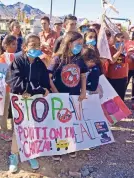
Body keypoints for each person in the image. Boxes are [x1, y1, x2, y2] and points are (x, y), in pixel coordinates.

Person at [5, 34, 50, 173]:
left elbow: (44, 83)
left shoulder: (40, 64)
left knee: (32, 129)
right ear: (24, 47)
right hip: (19, 100)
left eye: (38, 45)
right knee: (18, 131)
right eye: (32, 45)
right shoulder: (18, 61)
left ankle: (29, 153)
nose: (36, 47)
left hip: (34, 102)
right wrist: (25, 89)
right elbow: (12, 80)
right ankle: (14, 155)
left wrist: (41, 90)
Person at [48, 31, 87, 161]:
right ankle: (58, 148)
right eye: (78, 43)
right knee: (59, 123)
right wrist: (55, 92)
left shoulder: (80, 60)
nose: (80, 46)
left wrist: (83, 91)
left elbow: (82, 76)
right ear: (69, 43)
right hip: (60, 97)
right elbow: (48, 77)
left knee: (72, 122)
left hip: (74, 96)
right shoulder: (57, 58)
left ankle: (70, 146)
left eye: (82, 44)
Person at [0, 35, 18, 141]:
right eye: (13, 44)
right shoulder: (1, 58)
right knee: (4, 111)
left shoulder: (17, 57)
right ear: (6, 45)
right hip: (4, 89)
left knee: (15, 110)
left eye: (16, 44)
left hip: (15, 89)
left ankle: (16, 130)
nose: (15, 46)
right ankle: (3, 131)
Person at [107, 33, 128, 101]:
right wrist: (119, 51)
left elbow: (126, 63)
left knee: (121, 97)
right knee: (111, 97)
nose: (120, 44)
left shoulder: (126, 50)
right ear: (114, 41)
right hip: (112, 77)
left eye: (122, 42)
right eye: (118, 42)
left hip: (123, 77)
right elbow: (112, 61)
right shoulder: (111, 49)